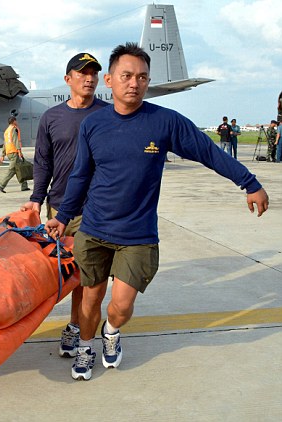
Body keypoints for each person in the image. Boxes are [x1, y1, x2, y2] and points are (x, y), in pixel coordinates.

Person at [44, 42, 269, 382]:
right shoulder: (93, 125)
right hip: (94, 229)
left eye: (142, 77)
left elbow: (208, 152)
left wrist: (249, 182)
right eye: (126, 75)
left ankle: (112, 333)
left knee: (119, 306)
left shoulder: (164, 122)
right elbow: (79, 176)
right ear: (110, 80)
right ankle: (87, 346)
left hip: (137, 234)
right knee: (90, 297)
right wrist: (62, 216)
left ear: (147, 82)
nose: (134, 83)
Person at [21, 52, 108, 359]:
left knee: (86, 275)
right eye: (83, 73)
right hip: (58, 209)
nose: (89, 78)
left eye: (94, 73)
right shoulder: (52, 117)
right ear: (68, 79)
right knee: (61, 273)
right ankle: (75, 323)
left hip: (95, 210)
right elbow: (43, 162)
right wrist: (36, 197)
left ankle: (76, 327)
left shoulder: (107, 115)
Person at [0, 116, 29, 193]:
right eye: (16, 120)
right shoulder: (13, 129)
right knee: (12, 170)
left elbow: (5, 143)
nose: (17, 122)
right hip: (14, 152)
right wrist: (19, 151)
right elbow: (15, 141)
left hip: (9, 152)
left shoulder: (7, 131)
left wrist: (3, 155)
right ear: (14, 121)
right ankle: (1, 184)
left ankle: (24, 186)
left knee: (19, 169)